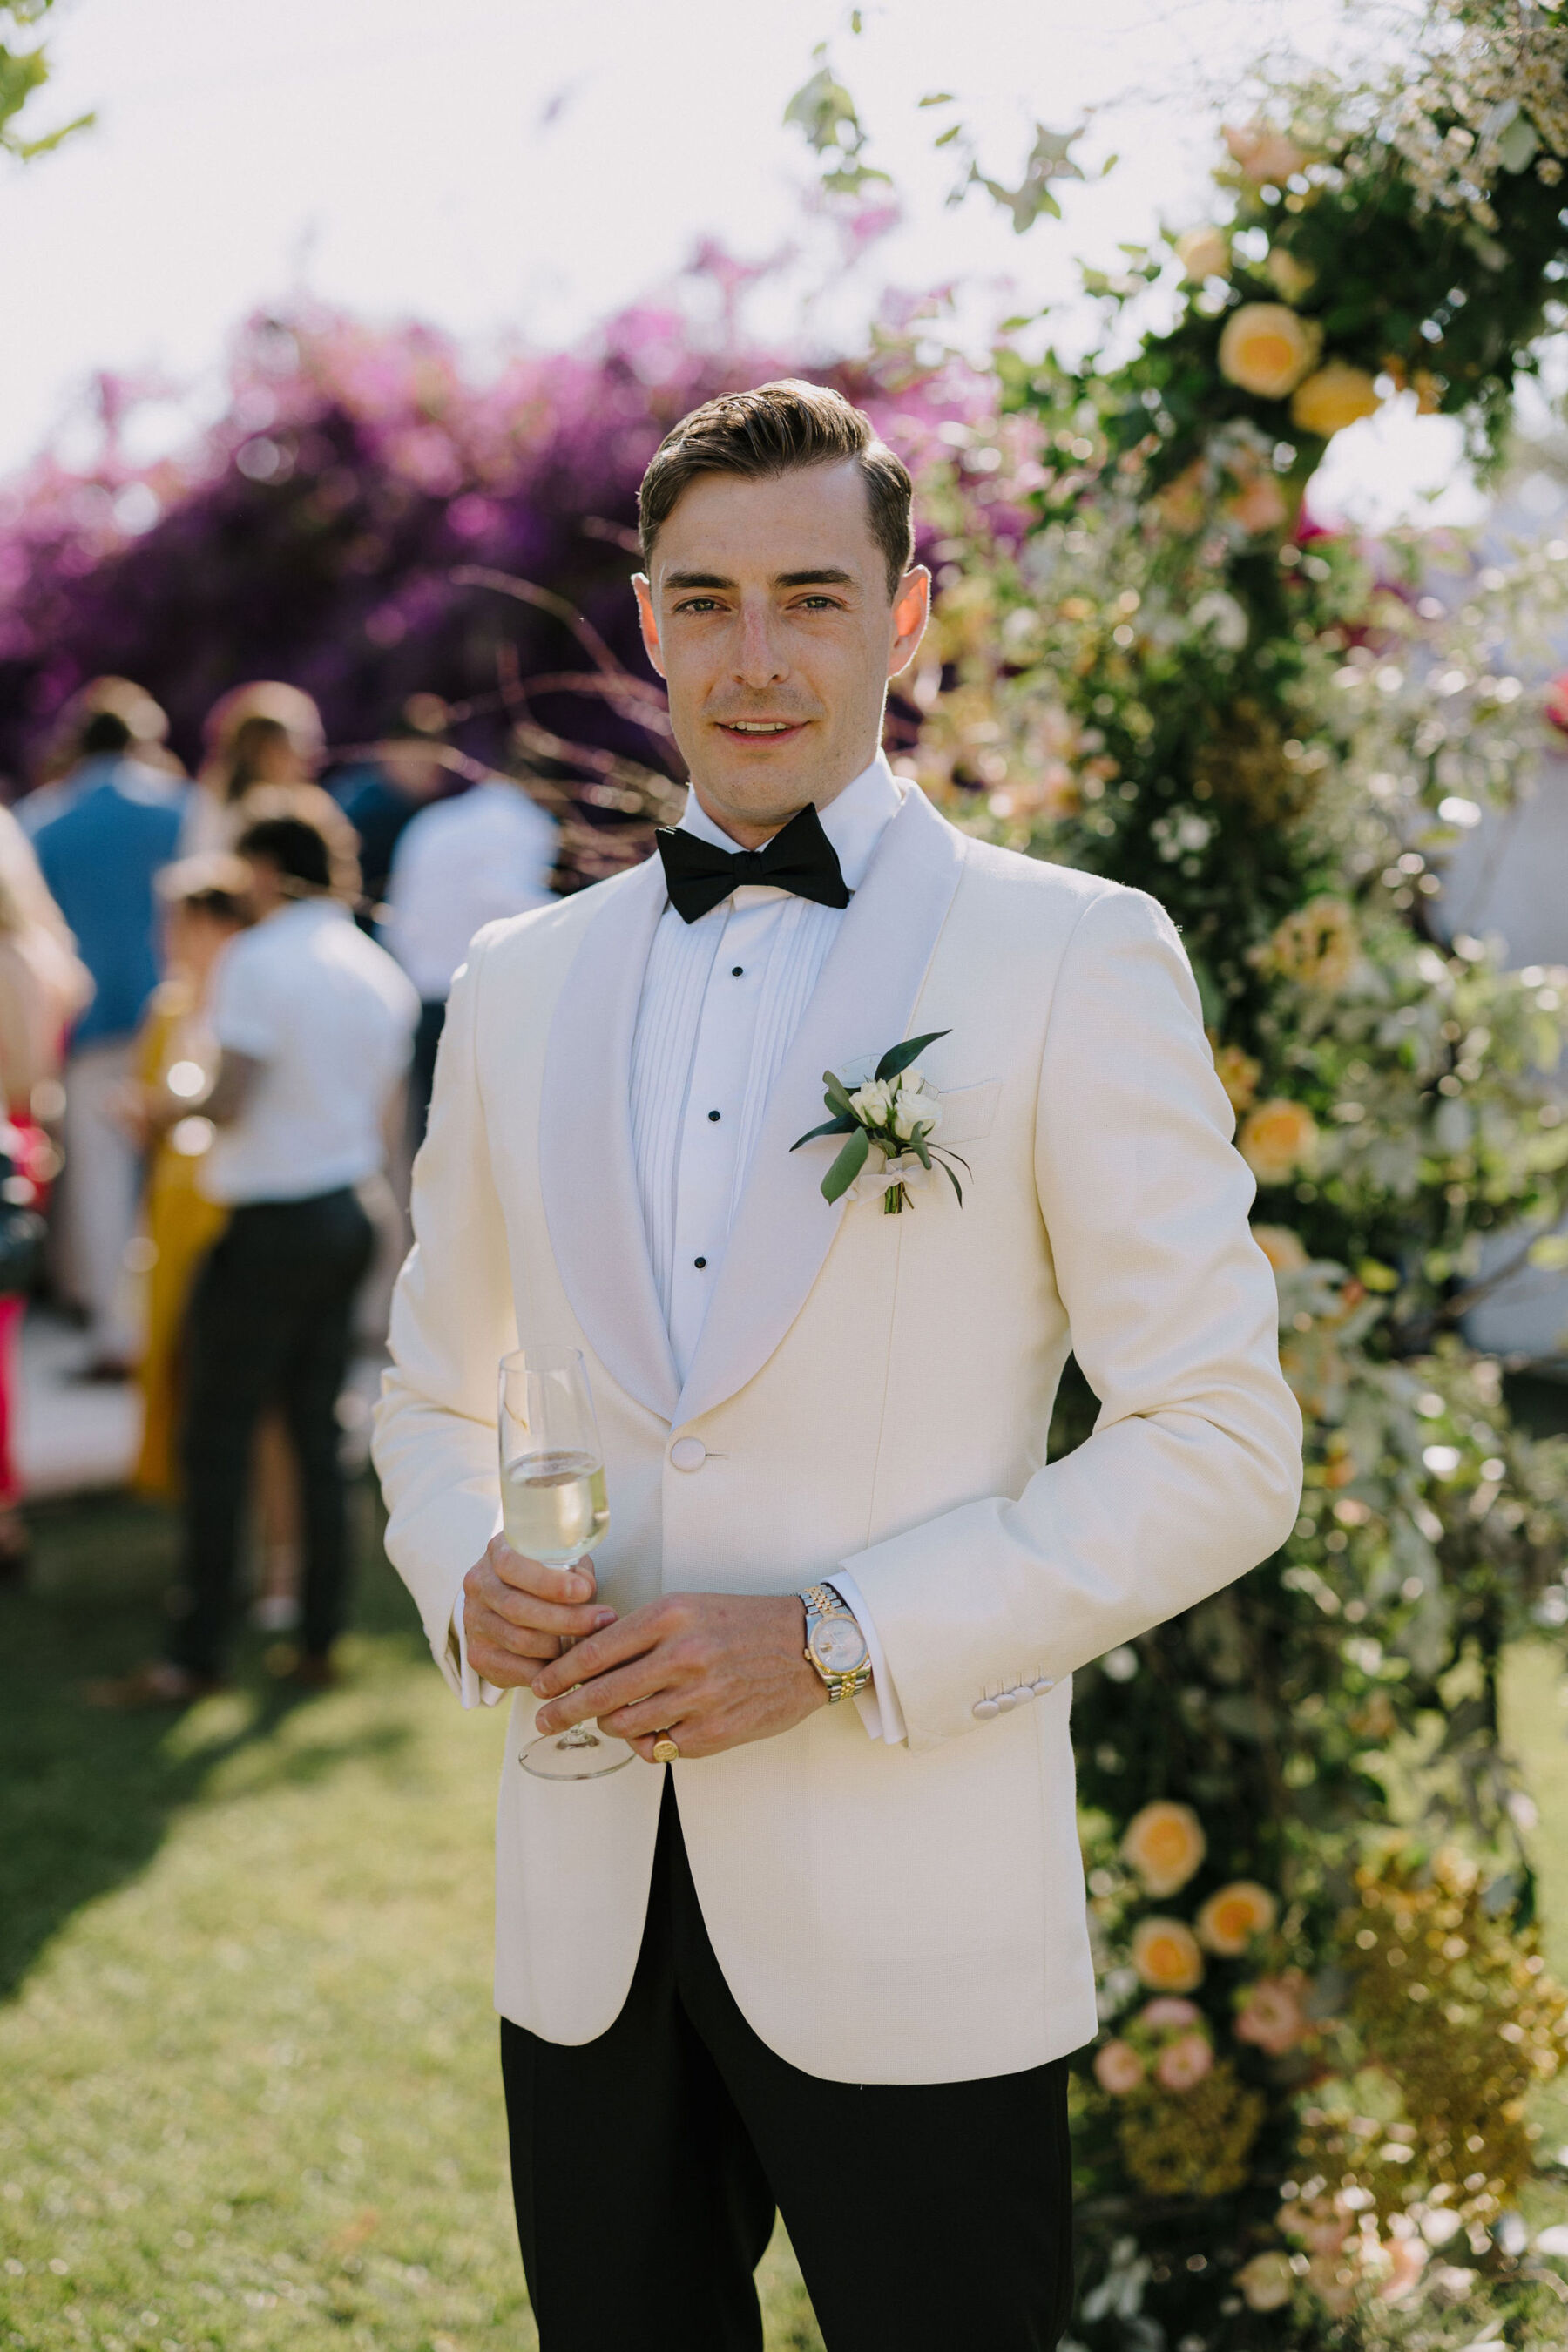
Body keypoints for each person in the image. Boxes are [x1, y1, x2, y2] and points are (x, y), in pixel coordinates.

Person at [371, 381, 1303, 2351]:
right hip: (588, 1905)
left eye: (812, 593)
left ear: (906, 615)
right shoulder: (518, 983)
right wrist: (466, 1565)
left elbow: (1221, 1437)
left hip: (917, 1902)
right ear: (645, 622)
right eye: (704, 600)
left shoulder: (1070, 953)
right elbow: (432, 1387)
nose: (759, 653)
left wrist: (837, 1631)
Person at [98, 797, 417, 1705]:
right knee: (318, 1438)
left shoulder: (259, 959)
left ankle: (192, 1656)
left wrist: (163, 1111)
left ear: (268, 872)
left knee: (216, 1440)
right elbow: (384, 1116)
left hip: (270, 1220)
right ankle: (320, 1636)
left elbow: (230, 1097)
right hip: (349, 1211)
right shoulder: (374, 968)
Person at [30, 702, 186, 1377]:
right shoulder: (181, 809)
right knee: (178, 1176)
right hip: (175, 1018)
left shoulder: (44, 822)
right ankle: (177, 1323)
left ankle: (115, 1335)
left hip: (89, 1026)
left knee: (100, 1188)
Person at [0, 808, 91, 1579]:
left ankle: (4, 1518)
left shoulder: (14, 960)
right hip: (23, 1152)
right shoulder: (44, 956)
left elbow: (23, 1080)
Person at [382, 762, 560, 1142]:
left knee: (430, 1145)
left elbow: (395, 925)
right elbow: (513, 906)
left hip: (424, 1002)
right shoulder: (527, 823)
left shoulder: (431, 823)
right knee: (490, 1144)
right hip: (488, 1003)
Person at [335, 693, 463, 921]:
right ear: (388, 750)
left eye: (440, 750)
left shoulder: (423, 810)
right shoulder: (365, 815)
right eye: (420, 754)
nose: (433, 767)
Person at [180, 682, 327, 857]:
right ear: (264, 752)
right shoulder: (225, 813)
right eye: (298, 745)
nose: (311, 755)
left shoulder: (308, 809)